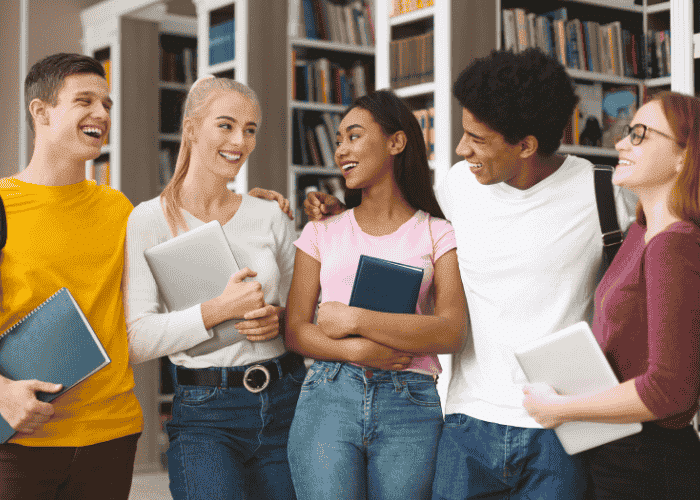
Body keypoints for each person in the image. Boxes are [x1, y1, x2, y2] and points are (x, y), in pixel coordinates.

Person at [305, 49, 638, 499]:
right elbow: (403, 234)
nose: (462, 150)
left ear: (525, 145)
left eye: (476, 139)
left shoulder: (604, 193)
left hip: (561, 427)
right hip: (466, 424)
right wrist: (337, 211)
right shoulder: (459, 185)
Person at [124, 75, 304, 500]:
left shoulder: (270, 215)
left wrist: (280, 320)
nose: (239, 141)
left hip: (286, 402)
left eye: (250, 129)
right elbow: (136, 339)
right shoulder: (148, 220)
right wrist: (217, 310)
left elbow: (305, 311)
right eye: (225, 125)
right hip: (206, 414)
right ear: (191, 129)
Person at [285, 89, 467, 500]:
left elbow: (451, 333)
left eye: (353, 136)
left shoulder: (438, 233)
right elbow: (296, 332)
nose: (340, 150)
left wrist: (354, 320)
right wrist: (357, 352)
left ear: (395, 142)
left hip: (410, 401)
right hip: (328, 394)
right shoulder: (321, 231)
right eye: (337, 140)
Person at [523, 91, 700, 499]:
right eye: (626, 132)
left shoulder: (675, 245)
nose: (621, 143)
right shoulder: (640, 232)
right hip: (614, 451)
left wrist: (561, 409)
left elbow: (669, 390)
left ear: (683, 156)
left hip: (649, 464)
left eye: (639, 135)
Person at [0, 52, 142, 500]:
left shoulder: (118, 207)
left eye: (106, 104)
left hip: (112, 433)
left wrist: (249, 208)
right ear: (40, 111)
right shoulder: (3, 203)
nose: (101, 114)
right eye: (84, 101)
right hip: (20, 437)